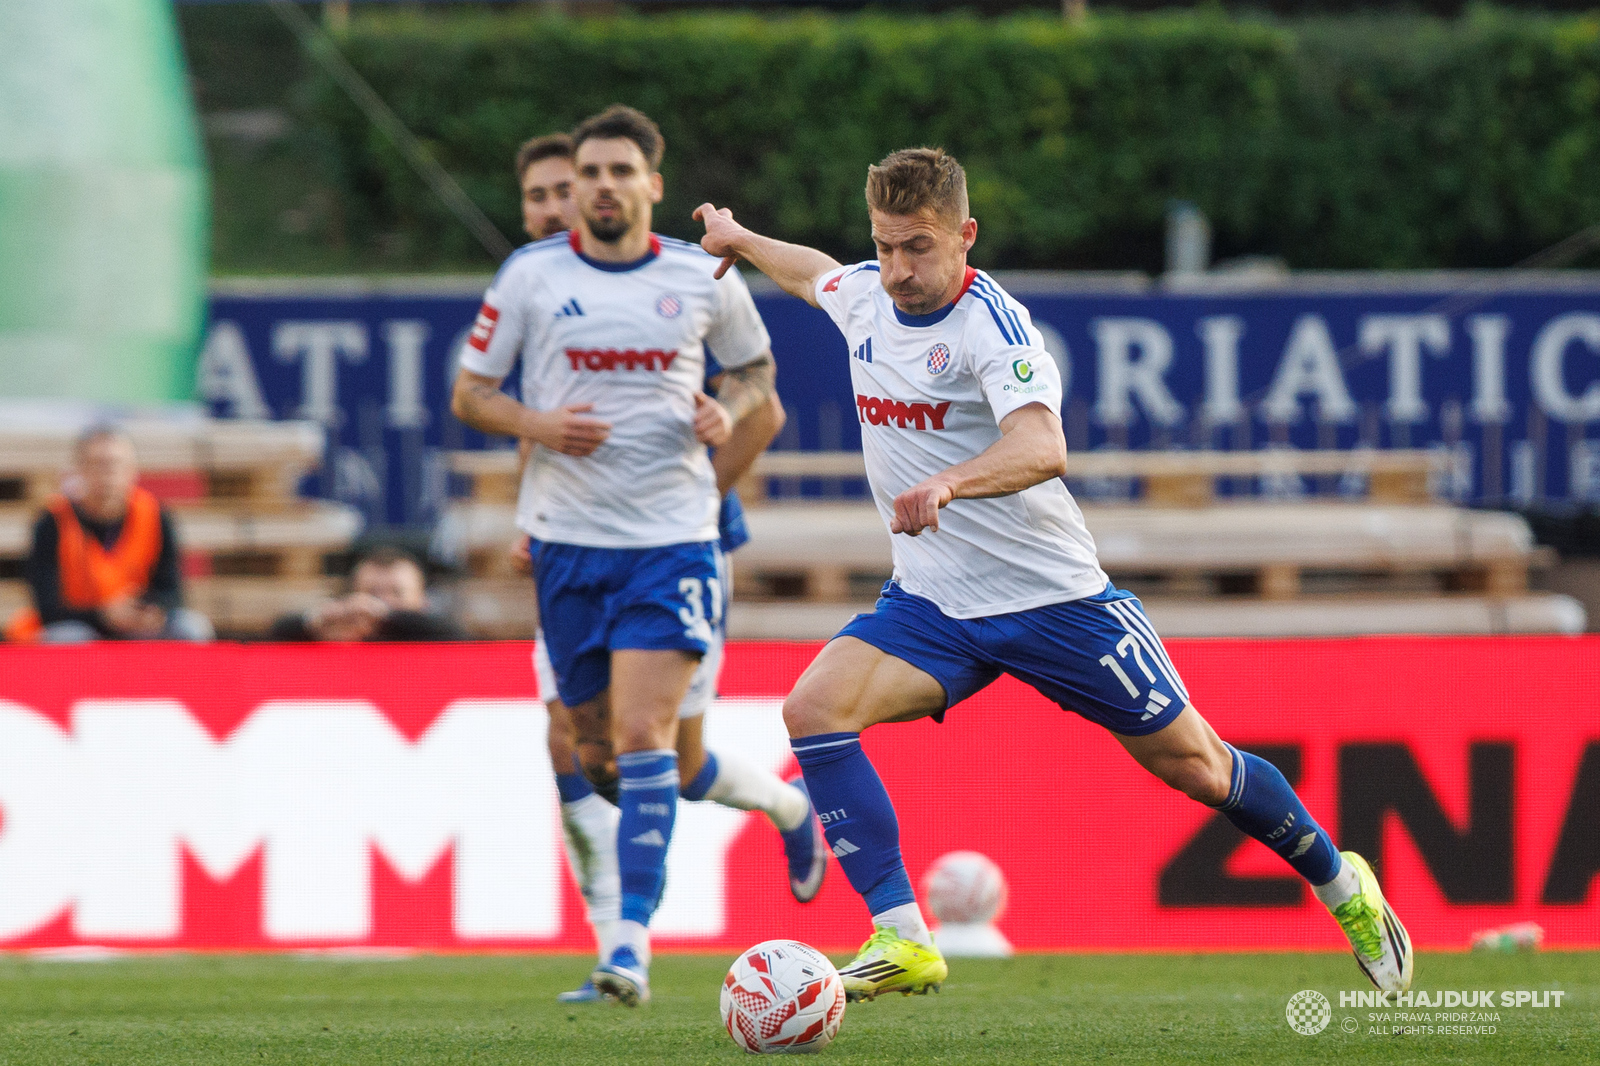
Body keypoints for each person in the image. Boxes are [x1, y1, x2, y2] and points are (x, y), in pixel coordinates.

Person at [695, 147, 1414, 1001]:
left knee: (1198, 767)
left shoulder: (994, 327)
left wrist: (952, 480)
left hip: (1056, 602)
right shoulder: (866, 295)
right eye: (884, 246)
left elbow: (1044, 446)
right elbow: (815, 274)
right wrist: (739, 237)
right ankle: (904, 935)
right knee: (813, 709)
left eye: (917, 247)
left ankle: (1344, 884)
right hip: (933, 602)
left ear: (966, 236)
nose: (896, 270)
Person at [450, 105, 822, 1006]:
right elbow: (471, 393)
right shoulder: (531, 278)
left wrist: (721, 421)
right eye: (587, 175)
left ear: (653, 184)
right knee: (604, 753)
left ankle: (626, 952)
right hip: (571, 551)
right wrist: (539, 430)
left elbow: (759, 381)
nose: (601, 187)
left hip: (675, 544)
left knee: (642, 737)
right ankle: (786, 805)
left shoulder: (700, 279)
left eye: (621, 171)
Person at [5, 425, 212, 643]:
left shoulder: (155, 516)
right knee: (66, 638)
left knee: (191, 628)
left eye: (116, 464)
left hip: (139, 627)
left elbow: (173, 592)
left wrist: (152, 610)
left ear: (133, 469)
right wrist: (104, 615)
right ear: (80, 470)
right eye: (98, 464)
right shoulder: (52, 522)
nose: (108, 473)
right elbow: (47, 608)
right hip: (82, 627)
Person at [268, 545, 464, 642]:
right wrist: (317, 621)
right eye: (372, 593)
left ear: (423, 600)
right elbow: (274, 637)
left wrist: (386, 615)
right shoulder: (336, 637)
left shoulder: (440, 641)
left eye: (396, 592)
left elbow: (460, 640)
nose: (382, 601)